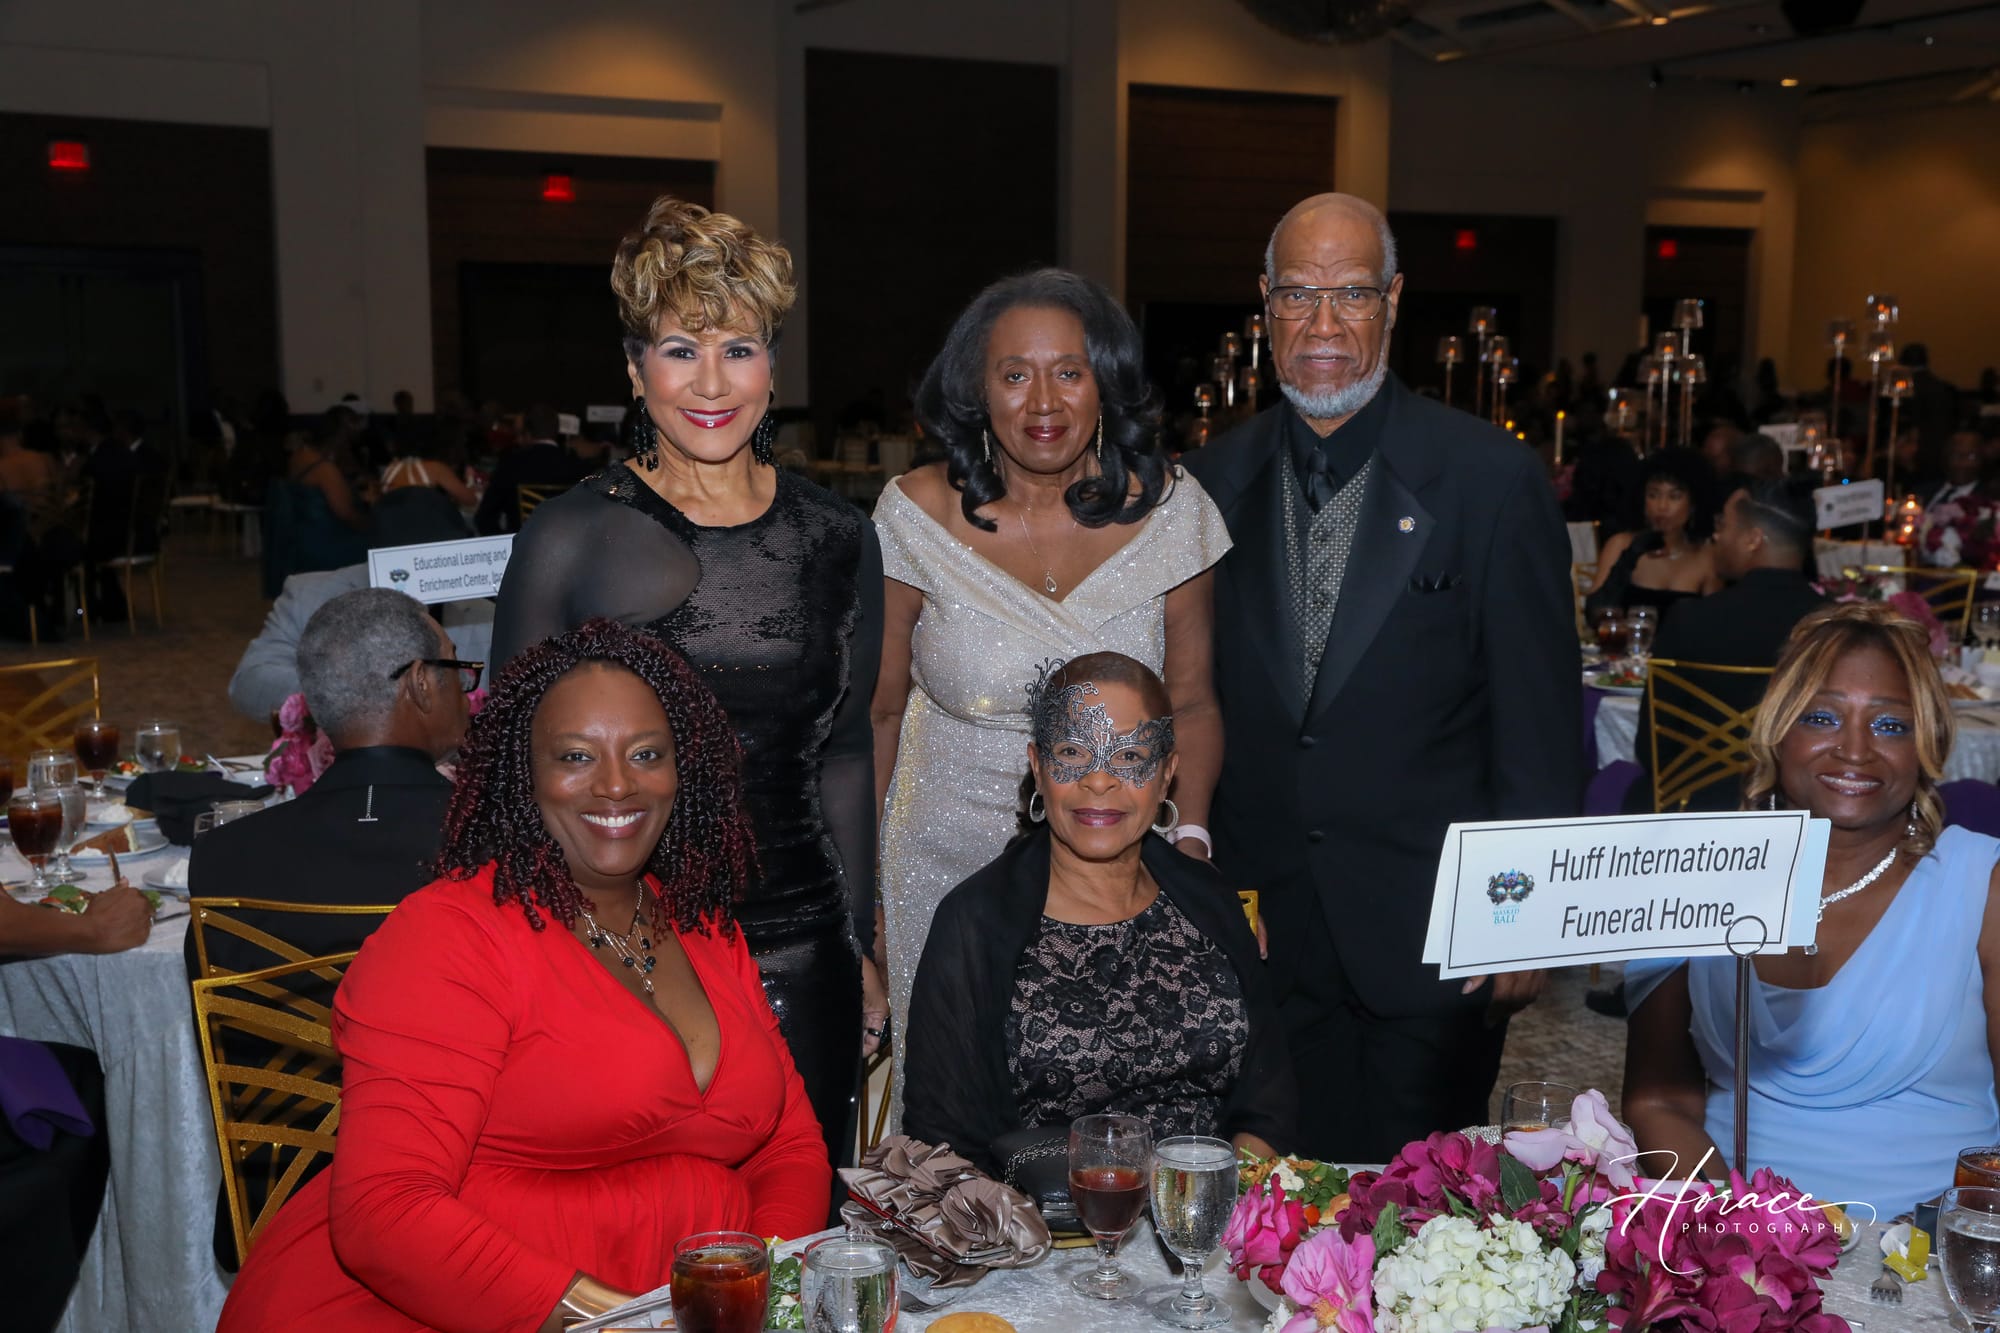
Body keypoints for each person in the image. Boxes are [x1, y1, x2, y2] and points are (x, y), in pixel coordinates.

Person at [214, 619, 829, 1333]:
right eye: (576, 756)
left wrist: (760, 1294)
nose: (617, 783)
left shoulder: (703, 925)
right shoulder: (450, 935)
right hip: (434, 1309)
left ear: (682, 767)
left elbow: (789, 1145)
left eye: (646, 753)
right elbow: (386, 1211)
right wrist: (628, 1322)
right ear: (523, 772)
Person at [1184, 193, 1579, 1161]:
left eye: (1351, 294)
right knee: (1276, 1207)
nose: (1323, 324)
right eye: (1298, 294)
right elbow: (1194, 696)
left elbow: (1536, 720)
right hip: (1266, 937)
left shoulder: (1489, 479)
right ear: (1264, 304)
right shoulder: (1206, 485)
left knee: (1424, 1218)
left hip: (1434, 936)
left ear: (1393, 301)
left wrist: (1527, 920)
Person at [491, 197, 882, 1167]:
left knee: (800, 1222)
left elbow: (844, 756)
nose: (711, 383)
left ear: (772, 366)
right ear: (634, 369)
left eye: (738, 349)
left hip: (800, 944)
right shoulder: (569, 537)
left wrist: (858, 945)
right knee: (645, 1233)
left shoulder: (839, 537)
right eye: (680, 350)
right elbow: (510, 771)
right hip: (620, 946)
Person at [872, 268, 1229, 1119]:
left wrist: (1193, 842)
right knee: (954, 1115)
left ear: (1105, 382)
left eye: (1069, 371)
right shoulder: (914, 514)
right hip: (938, 863)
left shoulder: (1173, 514)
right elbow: (878, 711)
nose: (1043, 401)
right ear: (977, 391)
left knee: (1106, 1108)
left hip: (1118, 862)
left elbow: (1192, 701)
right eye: (1015, 373)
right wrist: (865, 893)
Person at [1623, 604, 2000, 1215]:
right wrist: (1737, 1228)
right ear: (1778, 730)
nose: (1854, 749)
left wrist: (1924, 1242)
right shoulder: (1690, 874)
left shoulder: (1984, 887)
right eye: (1822, 717)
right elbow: (1657, 1102)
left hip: (1928, 1239)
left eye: (1890, 725)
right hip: (1727, 1221)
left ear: (1926, 746)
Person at [903, 653, 1291, 1174]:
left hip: (1212, 1205)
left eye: (1130, 756)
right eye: (1072, 752)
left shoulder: (1211, 902)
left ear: (1167, 774)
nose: (1100, 781)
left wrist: (1214, 1198)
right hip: (1039, 1219)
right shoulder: (974, 923)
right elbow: (944, 1142)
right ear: (1038, 767)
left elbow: (1268, 1102)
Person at [1623, 475, 1826, 813]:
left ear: (1752, 540)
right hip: (1797, 812)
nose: (1716, 536)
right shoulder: (1834, 627)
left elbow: (1652, 750)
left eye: (1724, 525)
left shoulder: (1690, 619)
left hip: (1693, 810)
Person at [1585, 447, 1721, 626]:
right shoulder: (1622, 545)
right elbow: (1594, 614)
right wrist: (1630, 557)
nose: (1662, 506)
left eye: (1674, 496)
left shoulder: (1707, 556)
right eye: (1653, 495)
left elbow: (1715, 624)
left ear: (1694, 503)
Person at [473, 403, 589, 535]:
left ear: (527, 434)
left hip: (522, 545)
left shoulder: (511, 465)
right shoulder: (579, 468)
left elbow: (484, 519)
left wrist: (509, 542)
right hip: (569, 545)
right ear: (556, 431)